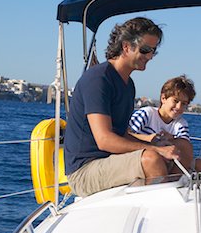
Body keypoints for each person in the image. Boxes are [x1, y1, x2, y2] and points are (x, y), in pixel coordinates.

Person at [64, 17, 182, 198]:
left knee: (180, 149)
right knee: (151, 159)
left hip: (109, 160)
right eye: (145, 50)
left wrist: (153, 143)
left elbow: (120, 133)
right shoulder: (98, 79)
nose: (150, 56)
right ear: (126, 47)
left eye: (153, 51)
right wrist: (155, 150)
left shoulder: (128, 85)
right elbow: (105, 140)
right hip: (84, 171)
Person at [129, 75, 201, 174]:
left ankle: (174, 180)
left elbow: (185, 147)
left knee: (197, 162)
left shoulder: (180, 123)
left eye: (183, 104)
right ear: (163, 98)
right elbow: (126, 134)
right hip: (144, 159)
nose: (178, 107)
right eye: (175, 101)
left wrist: (172, 138)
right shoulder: (147, 113)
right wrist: (149, 138)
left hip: (168, 163)